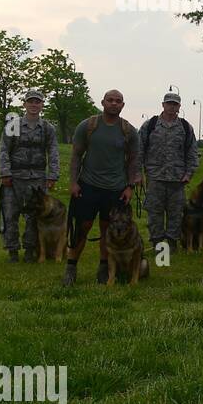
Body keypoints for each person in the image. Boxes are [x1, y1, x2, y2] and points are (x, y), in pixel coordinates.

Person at [62, 90, 142, 286]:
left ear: (123, 105)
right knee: (82, 227)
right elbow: (76, 156)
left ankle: (104, 268)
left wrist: (130, 186)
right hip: (88, 185)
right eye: (110, 100)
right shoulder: (88, 126)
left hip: (116, 188)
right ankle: (71, 267)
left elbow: (133, 161)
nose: (114, 104)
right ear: (103, 102)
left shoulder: (129, 130)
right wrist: (73, 182)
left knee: (108, 229)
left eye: (118, 101)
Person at [0, 89, 61, 262]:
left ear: (42, 105)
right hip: (14, 178)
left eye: (37, 102)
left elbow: (53, 151)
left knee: (34, 216)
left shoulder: (48, 128)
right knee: (10, 215)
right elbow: (4, 149)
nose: (34, 105)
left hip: (37, 179)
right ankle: (12, 250)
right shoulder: (14, 125)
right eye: (31, 101)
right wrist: (5, 172)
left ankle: (29, 249)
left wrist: (52, 175)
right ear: (24, 104)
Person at [139, 91, 198, 255]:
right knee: (154, 214)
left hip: (177, 180)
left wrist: (189, 173)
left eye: (175, 104)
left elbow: (192, 152)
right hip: (155, 178)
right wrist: (138, 174)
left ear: (179, 106)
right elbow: (139, 150)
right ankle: (158, 246)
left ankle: (171, 245)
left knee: (176, 214)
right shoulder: (150, 125)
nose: (172, 107)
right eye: (169, 103)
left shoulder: (185, 127)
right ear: (163, 105)